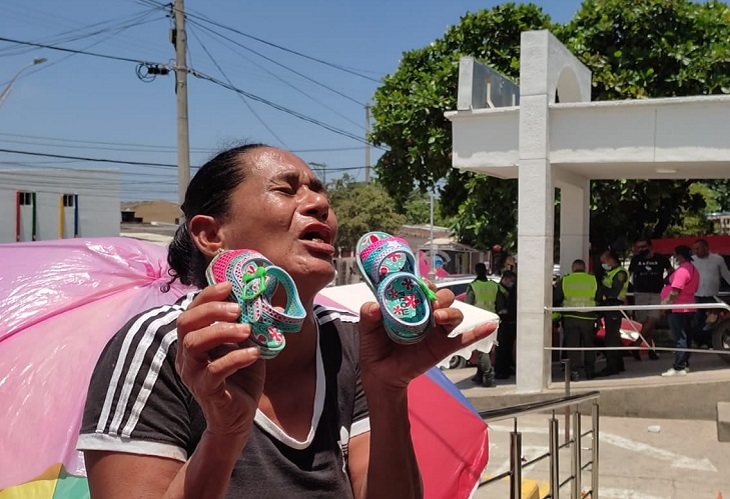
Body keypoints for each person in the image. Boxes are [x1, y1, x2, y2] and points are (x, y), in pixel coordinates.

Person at [76, 144, 496, 498]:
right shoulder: (156, 346)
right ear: (210, 235)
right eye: (286, 189)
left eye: (319, 192)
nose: (321, 205)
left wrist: (388, 390)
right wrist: (223, 436)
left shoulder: (353, 340)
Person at [628, 238, 673, 360]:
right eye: (639, 247)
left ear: (650, 246)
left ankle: (636, 345)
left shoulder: (661, 258)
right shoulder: (635, 260)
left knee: (653, 320)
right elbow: (629, 274)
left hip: (657, 294)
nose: (641, 249)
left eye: (643, 246)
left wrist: (666, 283)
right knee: (645, 324)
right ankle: (650, 350)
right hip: (640, 294)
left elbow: (671, 272)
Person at [553, 260, 599, 381]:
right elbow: (599, 297)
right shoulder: (592, 279)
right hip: (588, 317)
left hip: (570, 318)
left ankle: (574, 372)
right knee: (589, 345)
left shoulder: (565, 279)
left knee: (573, 346)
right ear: (584, 268)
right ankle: (590, 371)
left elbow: (557, 298)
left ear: (573, 268)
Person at [660, 245, 700, 377]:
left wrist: (664, 304)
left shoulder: (682, 270)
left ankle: (679, 366)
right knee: (686, 337)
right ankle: (684, 363)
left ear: (680, 256)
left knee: (680, 337)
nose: (674, 258)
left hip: (679, 308)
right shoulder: (693, 269)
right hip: (689, 306)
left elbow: (675, 292)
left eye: (675, 255)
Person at [464, 263, 504, 387]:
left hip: (479, 320)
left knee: (482, 350)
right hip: (492, 319)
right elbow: (501, 303)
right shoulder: (494, 285)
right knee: (489, 349)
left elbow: (468, 305)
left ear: (476, 271)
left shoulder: (473, 286)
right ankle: (479, 375)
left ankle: (489, 377)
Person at [691, 238, 730, 347]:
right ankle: (697, 341)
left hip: (711, 296)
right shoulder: (692, 260)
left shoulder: (718, 259)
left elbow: (726, 275)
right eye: (694, 249)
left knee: (711, 321)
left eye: (698, 248)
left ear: (705, 248)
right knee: (696, 320)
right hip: (696, 295)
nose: (696, 251)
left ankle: (708, 342)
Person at [596, 250, 629, 377]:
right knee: (613, 336)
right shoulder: (609, 272)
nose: (603, 265)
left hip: (614, 305)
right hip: (608, 305)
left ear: (610, 260)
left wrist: (599, 286)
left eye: (604, 262)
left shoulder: (620, 273)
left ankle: (612, 366)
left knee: (612, 337)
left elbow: (614, 292)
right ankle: (618, 364)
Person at [494, 270, 517, 379]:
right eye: (511, 280)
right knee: (502, 348)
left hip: (507, 322)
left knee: (507, 348)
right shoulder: (500, 289)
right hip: (502, 322)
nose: (512, 282)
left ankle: (506, 368)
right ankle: (501, 371)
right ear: (506, 278)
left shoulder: (507, 289)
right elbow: (501, 308)